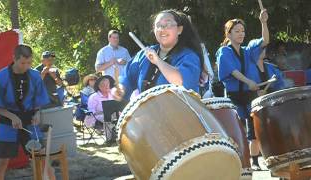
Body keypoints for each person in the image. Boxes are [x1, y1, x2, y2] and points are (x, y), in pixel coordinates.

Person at [0, 45, 55, 180]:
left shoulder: (35, 76)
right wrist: (12, 116)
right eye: (22, 63)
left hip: (30, 120)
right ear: (14, 58)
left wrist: (37, 113)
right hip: (7, 121)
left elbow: (39, 102)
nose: (26, 66)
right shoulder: (0, 77)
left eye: (29, 62)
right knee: (2, 164)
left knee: (42, 160)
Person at [216, 9, 269, 170]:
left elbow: (265, 40)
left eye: (243, 31)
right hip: (234, 96)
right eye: (237, 31)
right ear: (228, 34)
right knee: (237, 130)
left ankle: (254, 161)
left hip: (249, 94)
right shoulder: (223, 51)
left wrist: (263, 22)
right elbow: (233, 71)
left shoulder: (248, 50)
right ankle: (240, 161)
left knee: (253, 127)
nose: (241, 34)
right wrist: (248, 81)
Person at [113, 9, 204, 100]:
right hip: (149, 112)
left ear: (179, 30)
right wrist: (121, 89)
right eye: (158, 25)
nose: (162, 29)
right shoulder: (144, 55)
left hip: (181, 112)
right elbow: (127, 77)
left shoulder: (189, 56)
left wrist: (158, 61)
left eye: (167, 24)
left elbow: (182, 82)